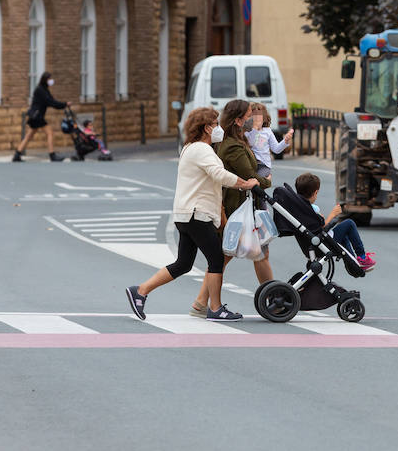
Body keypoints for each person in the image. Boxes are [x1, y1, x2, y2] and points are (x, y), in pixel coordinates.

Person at [125, 106, 258, 322]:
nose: (218, 128)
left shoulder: (189, 148)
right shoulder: (202, 150)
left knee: (183, 264)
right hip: (197, 214)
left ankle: (140, 291)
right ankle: (215, 308)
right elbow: (219, 174)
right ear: (206, 128)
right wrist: (245, 184)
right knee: (216, 259)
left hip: (186, 214)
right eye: (215, 124)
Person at [189, 100, 276, 317]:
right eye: (248, 115)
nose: (252, 119)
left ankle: (201, 302)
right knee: (231, 255)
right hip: (237, 207)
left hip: (240, 206)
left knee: (246, 253)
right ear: (238, 120)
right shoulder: (233, 146)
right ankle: (274, 298)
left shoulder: (236, 141)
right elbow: (249, 175)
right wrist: (266, 181)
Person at [294, 172, 375, 271]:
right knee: (349, 223)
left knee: (344, 235)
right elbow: (321, 228)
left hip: (312, 244)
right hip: (321, 243)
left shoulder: (299, 208)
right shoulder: (312, 209)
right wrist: (333, 214)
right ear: (315, 193)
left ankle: (353, 264)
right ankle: (362, 257)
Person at [14, 72, 67, 162]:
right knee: (50, 133)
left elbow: (52, 101)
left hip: (36, 116)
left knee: (29, 136)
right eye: (50, 79)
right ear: (45, 80)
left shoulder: (44, 90)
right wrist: (65, 104)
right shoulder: (40, 90)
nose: (51, 81)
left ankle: (17, 155)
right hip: (37, 116)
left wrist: (63, 104)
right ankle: (52, 155)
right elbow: (51, 102)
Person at [245, 102, 292, 179]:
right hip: (250, 164)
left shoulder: (267, 131)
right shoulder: (247, 131)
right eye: (254, 116)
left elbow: (276, 149)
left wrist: (285, 141)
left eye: (260, 116)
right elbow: (250, 143)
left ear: (264, 117)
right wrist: (255, 129)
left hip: (264, 165)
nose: (257, 118)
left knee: (259, 182)